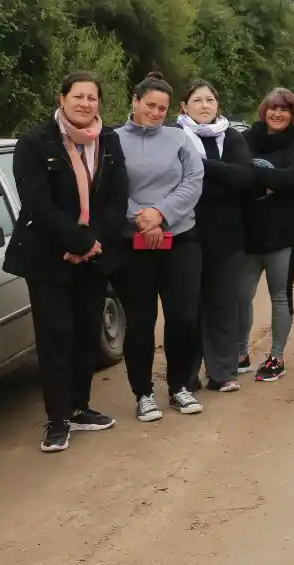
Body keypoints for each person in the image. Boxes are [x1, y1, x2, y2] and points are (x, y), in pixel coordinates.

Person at [5, 72, 128, 452]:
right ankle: (57, 420)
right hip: (47, 258)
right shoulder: (34, 143)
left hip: (92, 257)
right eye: (78, 96)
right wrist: (79, 241)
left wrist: (92, 244)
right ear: (62, 99)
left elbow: (117, 199)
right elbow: (39, 205)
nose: (85, 103)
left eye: (92, 98)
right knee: (56, 336)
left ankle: (79, 407)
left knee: (86, 333)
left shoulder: (109, 141)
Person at [113, 72, 205, 422]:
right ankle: (143, 393)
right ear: (134, 102)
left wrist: (161, 214)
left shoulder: (179, 138)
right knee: (141, 320)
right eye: (149, 105)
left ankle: (180, 386)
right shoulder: (113, 140)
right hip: (132, 243)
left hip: (180, 238)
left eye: (162, 108)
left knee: (183, 316)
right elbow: (109, 188)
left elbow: (193, 180)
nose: (155, 112)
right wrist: (141, 217)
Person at [176, 79, 255, 394]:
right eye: (197, 100)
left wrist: (202, 167)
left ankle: (222, 373)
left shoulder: (231, 136)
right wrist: (223, 173)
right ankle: (187, 375)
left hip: (226, 236)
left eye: (209, 100)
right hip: (186, 234)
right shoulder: (174, 135)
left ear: (217, 105)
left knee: (222, 306)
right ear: (184, 106)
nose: (204, 105)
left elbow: (247, 176)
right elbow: (173, 178)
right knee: (188, 308)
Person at [238, 87, 294, 383]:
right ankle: (239, 353)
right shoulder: (244, 139)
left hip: (285, 233)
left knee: (280, 294)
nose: (277, 113)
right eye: (273, 107)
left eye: (285, 109)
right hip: (248, 231)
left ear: (292, 115)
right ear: (263, 110)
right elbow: (238, 176)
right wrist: (271, 183)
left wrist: (260, 178)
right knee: (241, 296)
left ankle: (276, 357)